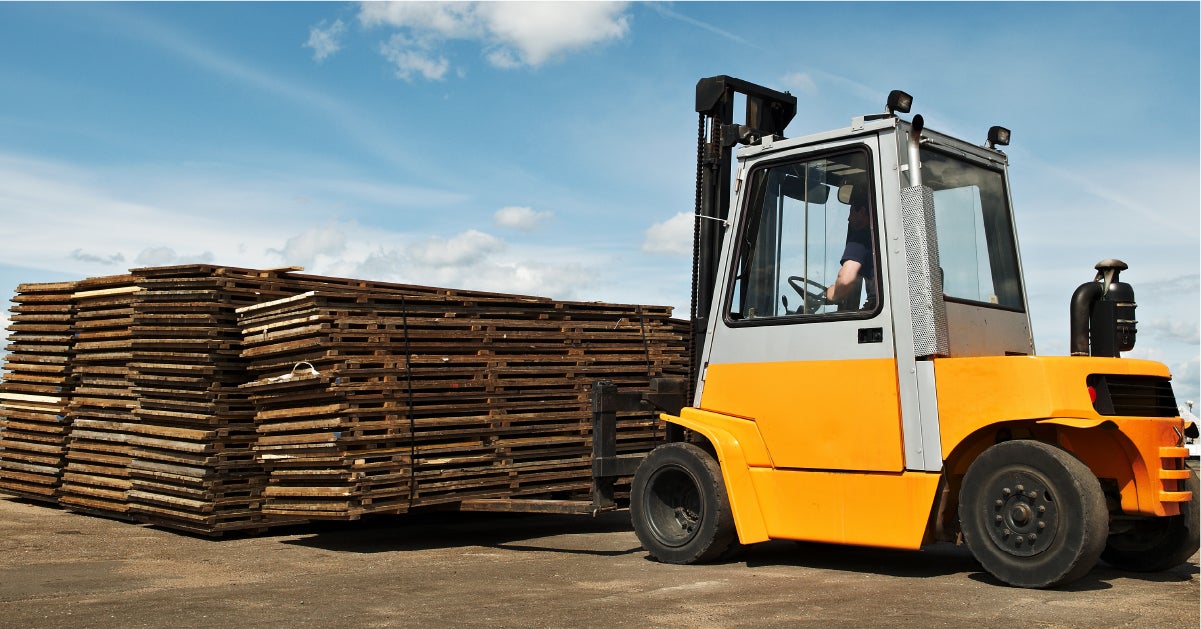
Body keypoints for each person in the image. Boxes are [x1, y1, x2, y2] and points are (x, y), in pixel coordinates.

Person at [825, 198, 877, 310]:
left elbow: (845, 281)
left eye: (851, 212)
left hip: (874, 304)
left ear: (862, 212)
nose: (848, 218)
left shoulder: (861, 238)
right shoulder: (877, 238)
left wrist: (831, 294)